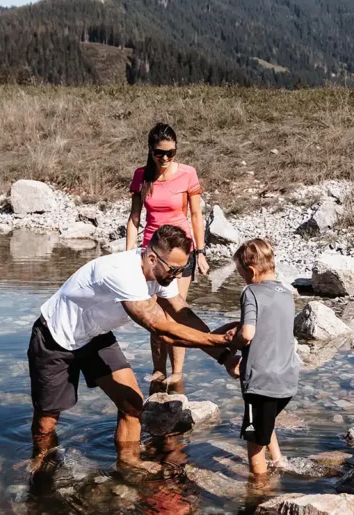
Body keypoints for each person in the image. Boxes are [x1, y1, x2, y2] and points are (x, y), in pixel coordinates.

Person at [28, 224, 237, 471]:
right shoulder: (123, 272)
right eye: (174, 269)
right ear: (152, 258)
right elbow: (160, 328)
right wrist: (221, 340)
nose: (177, 276)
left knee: (132, 404)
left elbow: (184, 316)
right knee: (47, 422)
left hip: (95, 336)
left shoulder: (163, 273)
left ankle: (128, 462)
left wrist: (224, 356)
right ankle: (40, 461)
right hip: (55, 337)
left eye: (182, 269)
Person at [126, 123, 210, 393]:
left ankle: (177, 373)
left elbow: (195, 215)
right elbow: (134, 219)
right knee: (154, 315)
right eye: (160, 153)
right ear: (150, 150)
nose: (165, 158)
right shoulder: (141, 176)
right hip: (151, 255)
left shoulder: (187, 174)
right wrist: (129, 255)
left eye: (171, 153)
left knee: (175, 313)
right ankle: (158, 369)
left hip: (180, 254)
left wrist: (200, 252)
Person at [225, 238, 299, 477]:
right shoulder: (286, 293)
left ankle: (259, 486)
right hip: (287, 380)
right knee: (265, 421)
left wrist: (232, 342)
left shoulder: (250, 292)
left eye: (241, 275)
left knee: (254, 440)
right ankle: (278, 461)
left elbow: (247, 334)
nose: (243, 280)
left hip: (261, 382)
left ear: (251, 271)